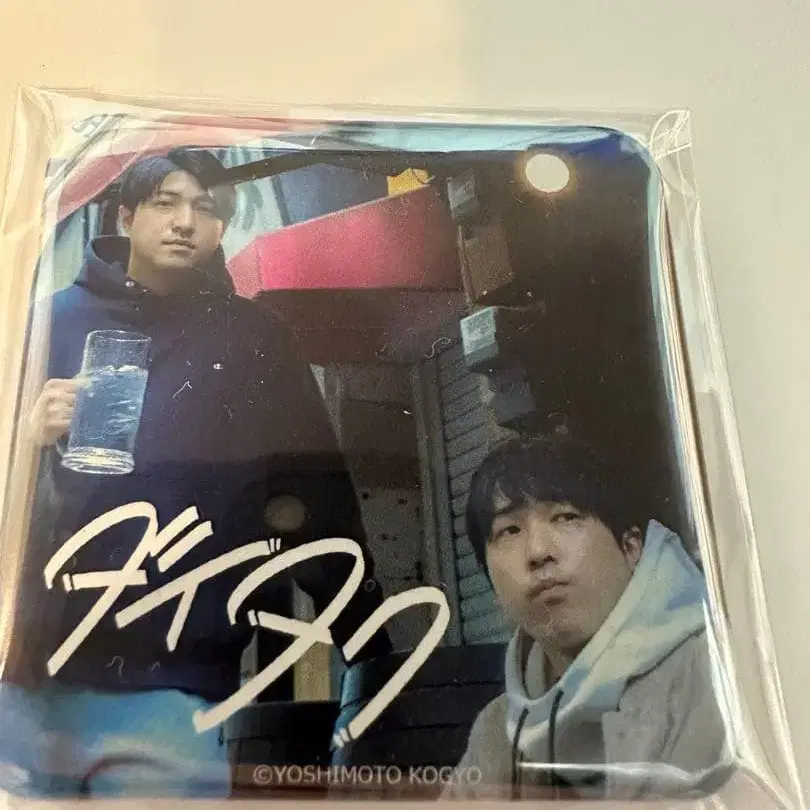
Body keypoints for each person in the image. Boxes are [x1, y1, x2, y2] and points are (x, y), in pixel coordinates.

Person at [1, 148, 391, 798]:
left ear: (221, 229)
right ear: (125, 216)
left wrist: (369, 648)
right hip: (28, 678)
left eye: (206, 208)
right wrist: (24, 439)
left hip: (173, 685)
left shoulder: (255, 341)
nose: (185, 221)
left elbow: (314, 502)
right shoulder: (42, 323)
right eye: (166, 202)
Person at [443, 433, 732, 801]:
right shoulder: (496, 731)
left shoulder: (718, 676)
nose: (538, 551)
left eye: (566, 517)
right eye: (510, 530)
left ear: (631, 546)